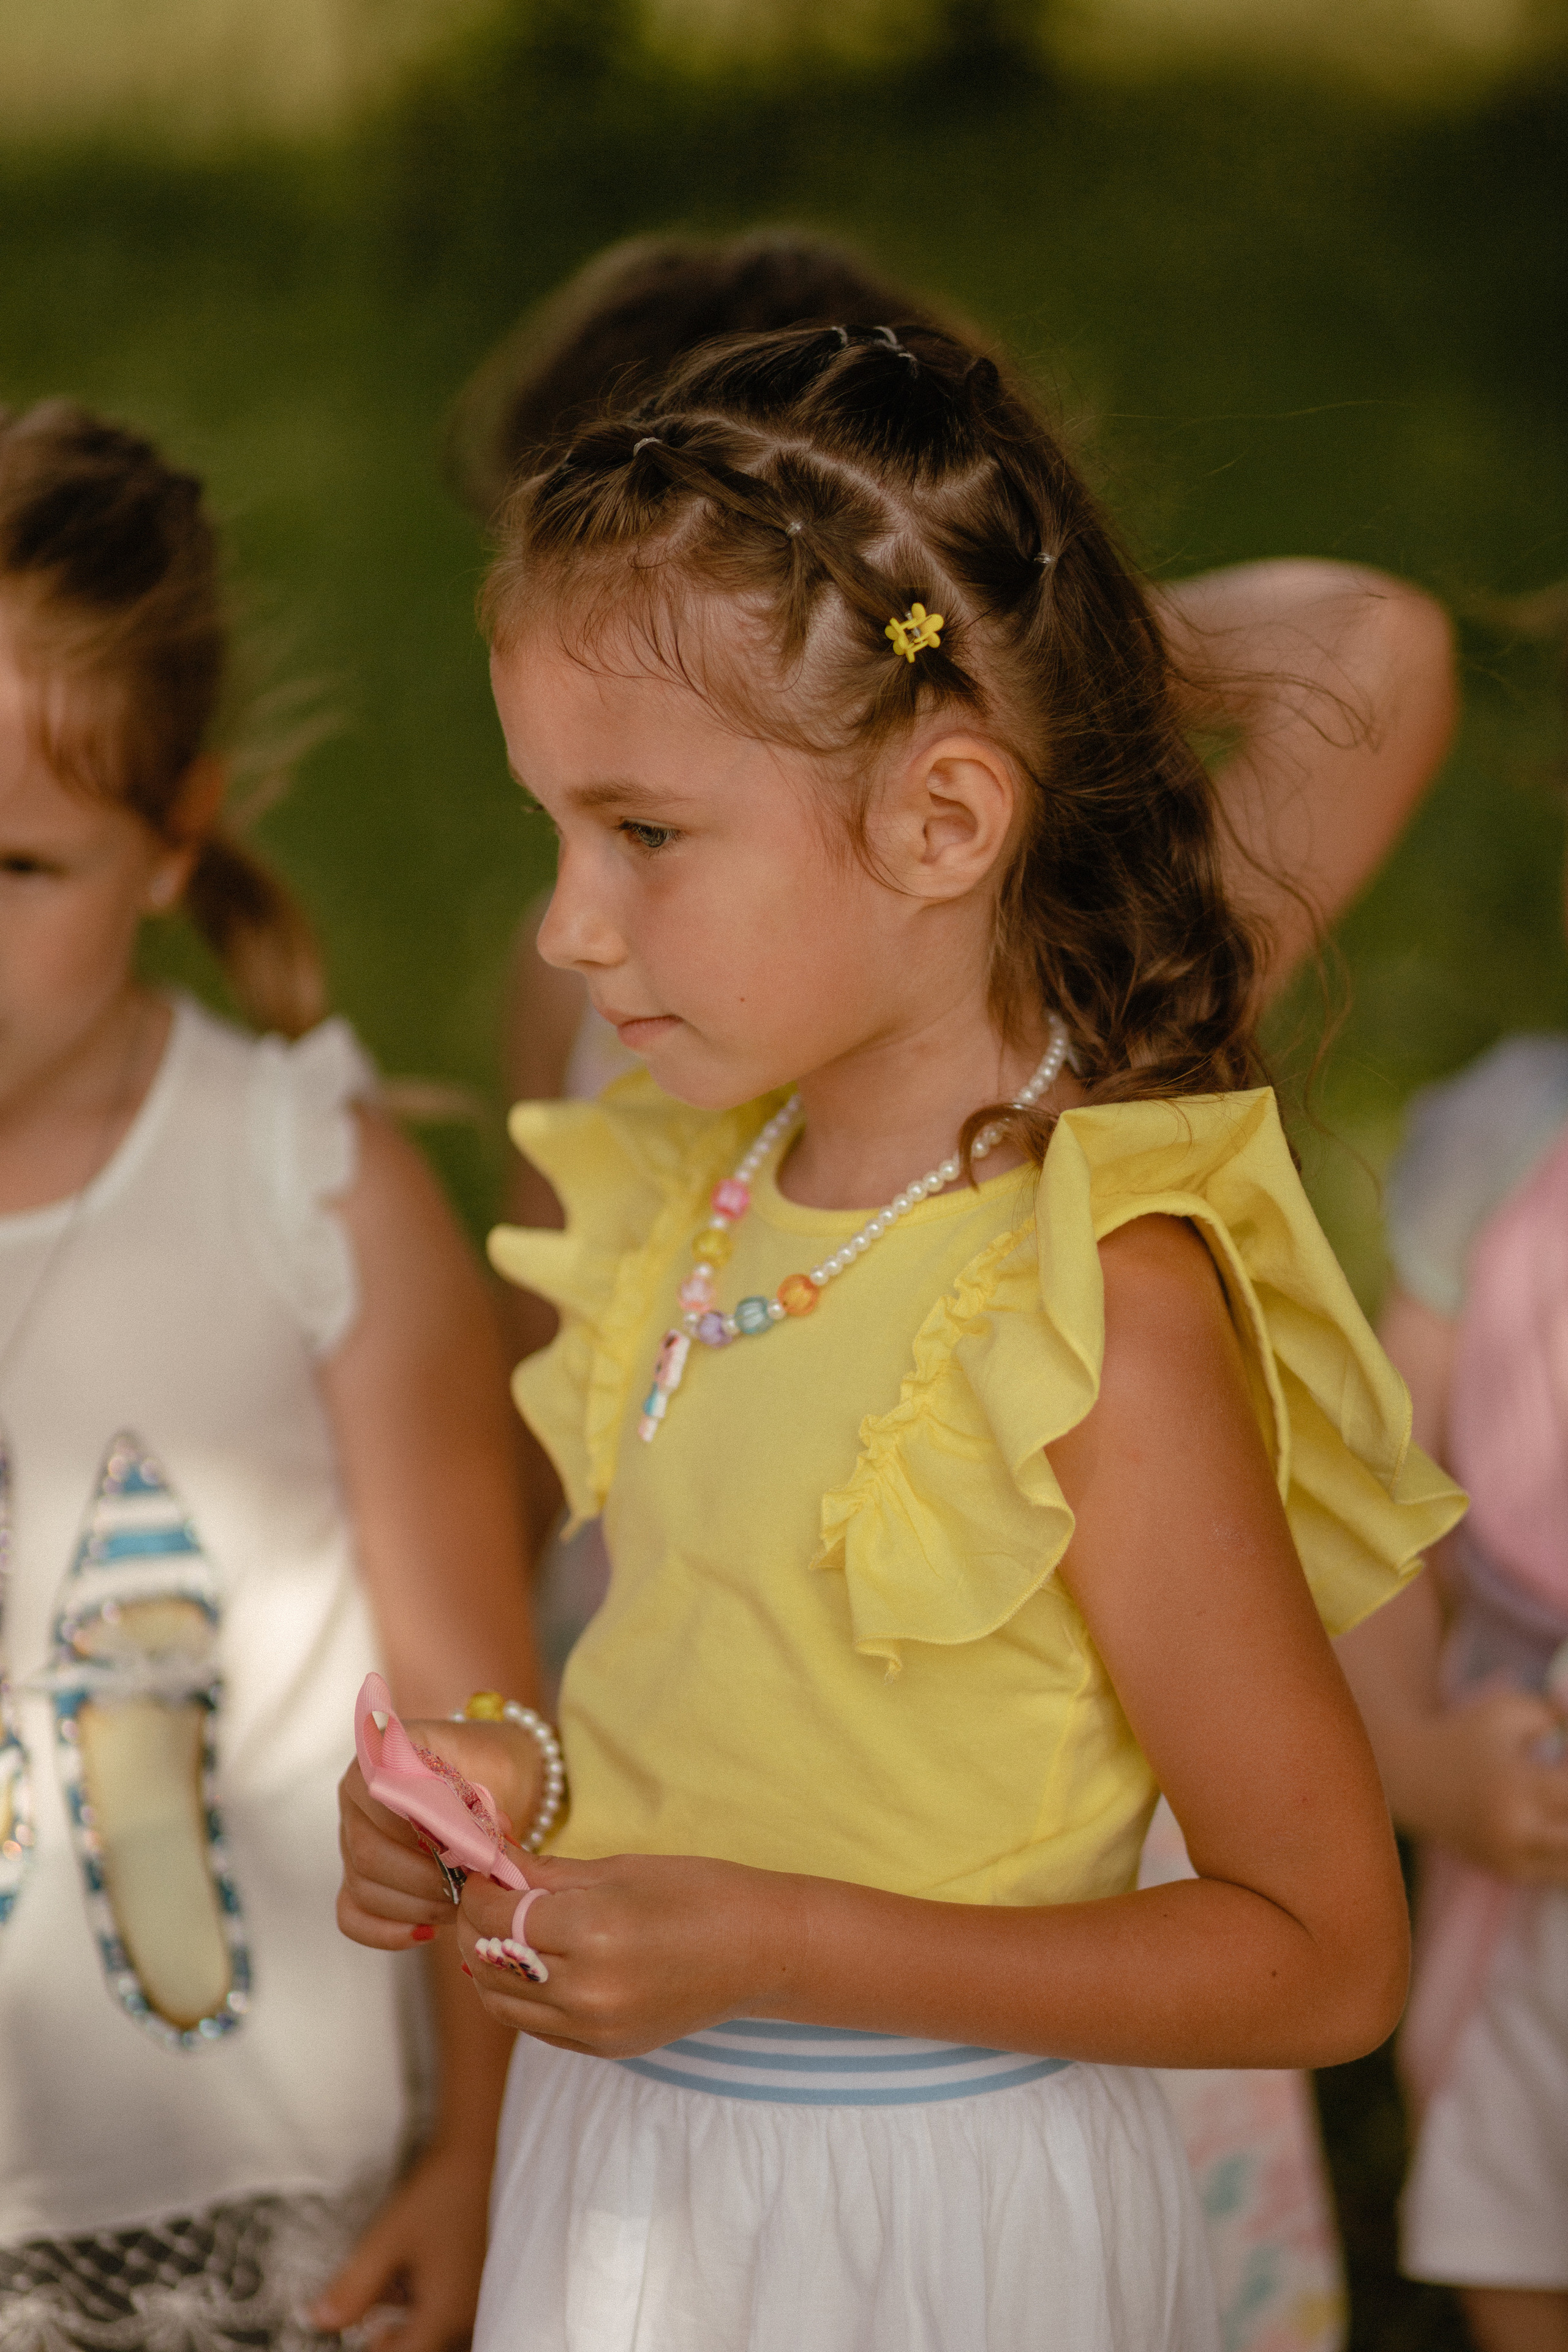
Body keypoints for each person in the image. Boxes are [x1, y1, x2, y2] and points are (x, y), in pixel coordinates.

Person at [337, 322, 1466, 2352]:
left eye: (646, 834)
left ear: (948, 823)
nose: (569, 929)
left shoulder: (1085, 1301)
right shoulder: (699, 1191)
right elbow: (723, 1688)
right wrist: (513, 1781)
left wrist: (769, 1944)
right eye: (553, 833)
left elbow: (1321, 1957)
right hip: (636, 2183)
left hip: (934, 2224)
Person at [0, 401, 537, 2352]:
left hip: (254, 2215)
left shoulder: (303, 1182)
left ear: (173, 839)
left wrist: (482, 2163)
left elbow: (485, 1725)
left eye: (18, 868)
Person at [1339, 630, 1568, 2352]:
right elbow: (1376, 1519)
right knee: (1521, 2194)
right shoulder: (1502, 1152)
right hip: (1530, 1825)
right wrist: (1418, 1763)